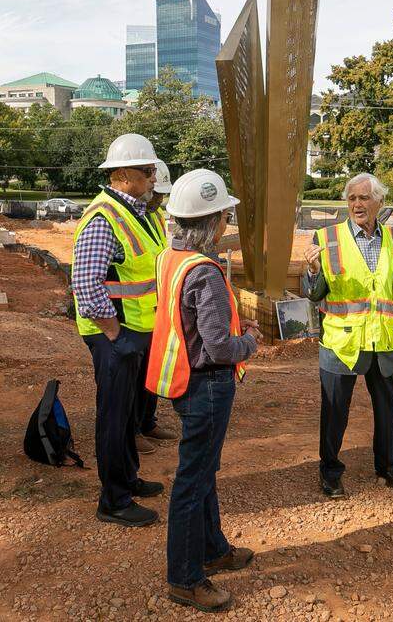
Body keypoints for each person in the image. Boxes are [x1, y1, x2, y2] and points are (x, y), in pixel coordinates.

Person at [145, 169, 262, 613]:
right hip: (205, 386)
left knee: (204, 470)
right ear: (212, 222)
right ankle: (185, 578)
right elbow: (217, 347)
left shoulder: (170, 257)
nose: (227, 222)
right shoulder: (206, 273)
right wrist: (249, 342)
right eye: (224, 216)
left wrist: (235, 329)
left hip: (182, 382)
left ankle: (213, 550)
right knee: (192, 482)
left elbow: (194, 327)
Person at [71, 133, 167, 527]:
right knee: (113, 416)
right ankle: (114, 500)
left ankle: (128, 478)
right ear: (123, 174)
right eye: (147, 171)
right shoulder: (104, 217)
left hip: (136, 329)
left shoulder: (140, 213)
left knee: (126, 413)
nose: (152, 178)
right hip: (115, 333)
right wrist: (114, 334)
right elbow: (87, 284)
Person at [304, 172, 393, 499]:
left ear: (379, 201)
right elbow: (313, 293)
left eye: (363, 198)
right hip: (342, 344)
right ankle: (331, 472)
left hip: (385, 342)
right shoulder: (327, 239)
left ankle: (387, 465)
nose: (357, 204)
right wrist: (311, 272)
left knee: (386, 410)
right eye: (351, 198)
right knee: (335, 412)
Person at [132, 159, 179, 456]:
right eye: (157, 193)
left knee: (152, 374)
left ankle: (147, 421)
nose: (159, 198)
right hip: (133, 315)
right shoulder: (131, 217)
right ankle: (133, 429)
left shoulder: (156, 216)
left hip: (156, 311)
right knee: (133, 380)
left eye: (163, 194)